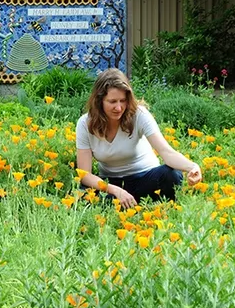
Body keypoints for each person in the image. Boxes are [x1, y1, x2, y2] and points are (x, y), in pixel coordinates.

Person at [75, 68, 203, 209]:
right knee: (84, 192)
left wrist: (193, 167)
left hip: (145, 178)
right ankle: (128, 205)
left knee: (171, 175)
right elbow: (85, 174)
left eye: (123, 101)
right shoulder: (85, 123)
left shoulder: (139, 115)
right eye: (112, 102)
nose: (119, 107)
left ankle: (142, 206)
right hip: (111, 184)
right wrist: (115, 190)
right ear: (99, 101)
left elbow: (167, 153)